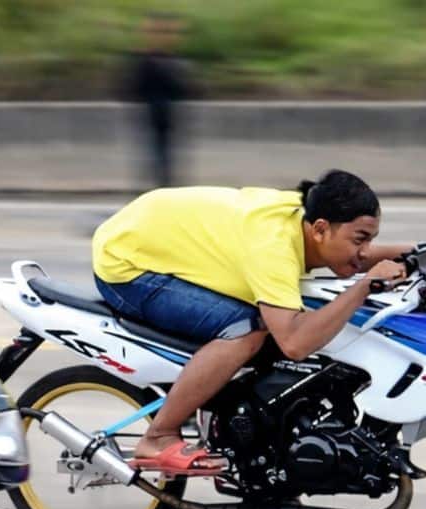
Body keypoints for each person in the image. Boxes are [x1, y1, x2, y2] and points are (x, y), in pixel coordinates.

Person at [92, 169, 410, 474]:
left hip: (160, 233)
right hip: (128, 264)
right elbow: (295, 343)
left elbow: (353, 255)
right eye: (361, 239)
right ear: (321, 229)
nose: (366, 250)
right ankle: (159, 435)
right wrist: (364, 286)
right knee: (248, 330)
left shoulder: (308, 223)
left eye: (371, 239)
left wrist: (414, 253)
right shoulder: (273, 247)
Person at [122, 12, 195, 189]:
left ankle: (160, 188)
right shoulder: (148, 60)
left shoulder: (169, 60)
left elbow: (183, 89)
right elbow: (133, 87)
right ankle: (158, 190)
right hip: (153, 114)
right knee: (156, 156)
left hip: (165, 115)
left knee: (162, 156)